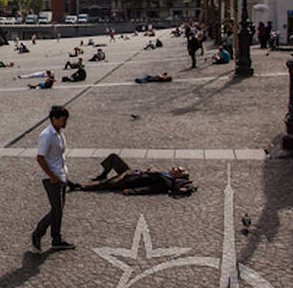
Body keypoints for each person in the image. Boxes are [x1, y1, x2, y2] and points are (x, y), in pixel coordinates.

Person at [31, 106, 75, 251]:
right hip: (51, 179)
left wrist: (64, 176)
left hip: (61, 175)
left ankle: (56, 239)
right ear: (53, 119)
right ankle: (38, 233)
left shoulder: (60, 133)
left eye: (66, 120)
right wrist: (52, 176)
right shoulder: (47, 135)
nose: (65, 123)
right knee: (56, 210)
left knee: (59, 210)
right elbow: (40, 157)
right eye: (62, 120)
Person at [70, 154, 194, 196]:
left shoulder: (166, 182)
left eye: (177, 169)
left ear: (178, 175)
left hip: (128, 180)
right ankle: (103, 174)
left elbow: (149, 189)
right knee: (114, 158)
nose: (173, 167)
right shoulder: (165, 175)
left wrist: (132, 191)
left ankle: (79, 186)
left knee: (104, 185)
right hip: (131, 172)